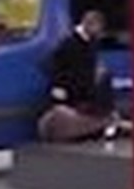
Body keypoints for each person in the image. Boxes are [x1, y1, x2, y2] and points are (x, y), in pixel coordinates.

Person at [37, 10, 120, 143]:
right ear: (89, 25)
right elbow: (55, 65)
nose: (99, 32)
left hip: (84, 88)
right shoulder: (69, 43)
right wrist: (61, 85)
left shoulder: (90, 41)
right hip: (70, 89)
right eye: (97, 28)